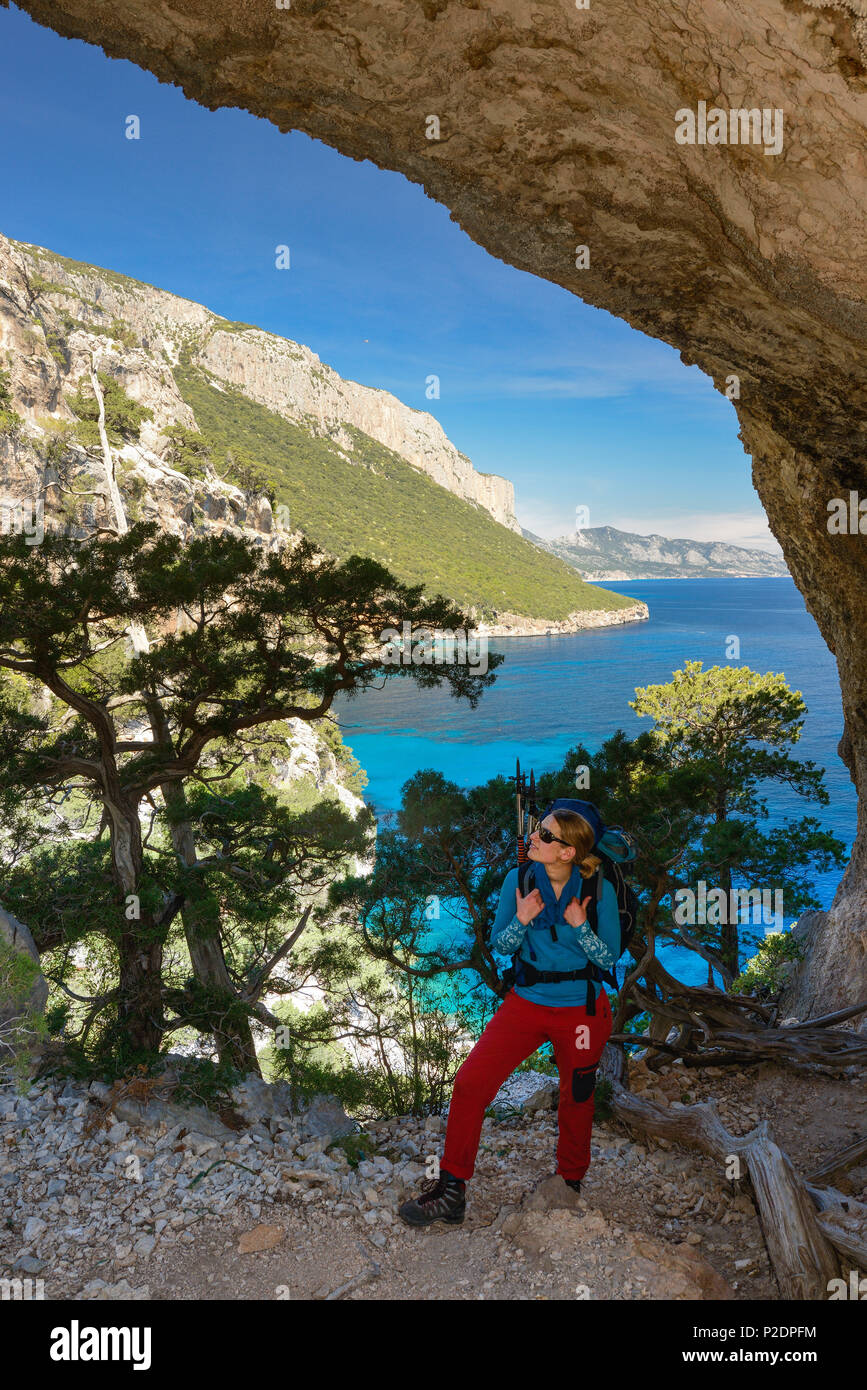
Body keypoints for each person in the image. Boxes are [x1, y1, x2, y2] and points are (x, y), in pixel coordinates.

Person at [399, 807, 620, 1227]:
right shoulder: (516, 880)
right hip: (527, 1000)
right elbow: (501, 945)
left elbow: (609, 956)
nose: (532, 837)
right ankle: (451, 1191)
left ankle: (569, 1185)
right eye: (538, 830)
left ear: (568, 852)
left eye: (545, 835)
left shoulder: (599, 889)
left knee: (577, 1096)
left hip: (582, 1008)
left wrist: (580, 927)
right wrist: (520, 920)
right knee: (470, 1083)